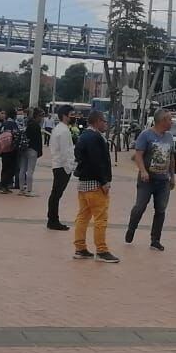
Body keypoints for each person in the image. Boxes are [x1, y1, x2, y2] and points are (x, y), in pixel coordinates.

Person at [125, 109, 176, 250]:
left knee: (161, 209)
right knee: (140, 207)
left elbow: (171, 157)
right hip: (147, 180)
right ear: (162, 121)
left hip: (163, 180)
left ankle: (155, 239)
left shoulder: (169, 137)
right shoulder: (146, 135)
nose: (172, 122)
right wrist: (143, 171)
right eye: (170, 120)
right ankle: (131, 228)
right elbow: (138, 155)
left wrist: (172, 176)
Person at [71, 110, 117, 262]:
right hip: (96, 184)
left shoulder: (83, 136)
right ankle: (101, 250)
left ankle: (80, 247)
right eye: (104, 121)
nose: (106, 124)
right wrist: (104, 181)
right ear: (97, 121)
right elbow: (98, 161)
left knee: (83, 216)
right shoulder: (96, 138)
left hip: (83, 183)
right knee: (100, 217)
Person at [46, 105, 77, 229]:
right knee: (56, 194)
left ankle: (52, 219)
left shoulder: (59, 129)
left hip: (59, 165)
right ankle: (53, 221)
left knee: (55, 194)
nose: (74, 117)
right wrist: (69, 167)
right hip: (62, 167)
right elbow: (65, 152)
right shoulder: (63, 131)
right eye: (71, 114)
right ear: (64, 116)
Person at [18, 107, 44, 196]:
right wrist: (39, 151)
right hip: (33, 149)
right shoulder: (36, 126)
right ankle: (29, 190)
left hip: (24, 148)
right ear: (37, 116)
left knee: (22, 169)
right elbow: (39, 140)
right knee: (30, 170)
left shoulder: (27, 123)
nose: (42, 118)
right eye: (41, 116)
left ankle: (21, 189)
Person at [0, 110, 22, 194]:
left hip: (3, 149)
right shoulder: (13, 124)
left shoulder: (4, 123)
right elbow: (16, 135)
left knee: (5, 167)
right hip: (11, 149)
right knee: (11, 168)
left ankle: (4, 185)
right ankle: (3, 185)